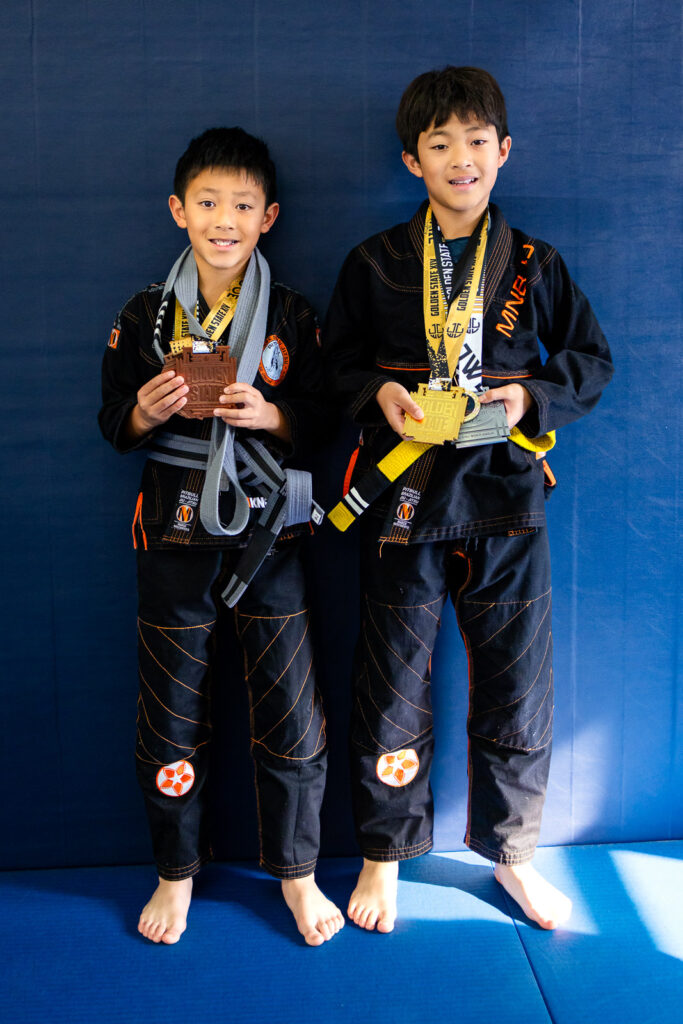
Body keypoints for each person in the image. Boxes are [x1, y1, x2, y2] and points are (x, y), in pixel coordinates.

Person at [323, 67, 613, 932]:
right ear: (411, 160)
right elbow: (334, 362)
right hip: (403, 498)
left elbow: (590, 361)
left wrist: (527, 399)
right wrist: (377, 394)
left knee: (519, 688)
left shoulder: (534, 264)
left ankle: (513, 855)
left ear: (503, 151)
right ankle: (382, 853)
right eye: (440, 144)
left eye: (476, 142)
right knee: (390, 688)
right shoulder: (374, 263)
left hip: (506, 500)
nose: (461, 159)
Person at [99, 127, 343, 947]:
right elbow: (112, 424)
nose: (224, 219)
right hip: (169, 534)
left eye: (242, 204)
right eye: (207, 202)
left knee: (291, 709)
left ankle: (298, 873)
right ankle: (176, 871)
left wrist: (270, 414)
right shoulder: (144, 314)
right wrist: (147, 408)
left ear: (268, 216)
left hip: (266, 535)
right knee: (169, 711)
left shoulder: (294, 314)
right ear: (178, 211)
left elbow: (323, 415)